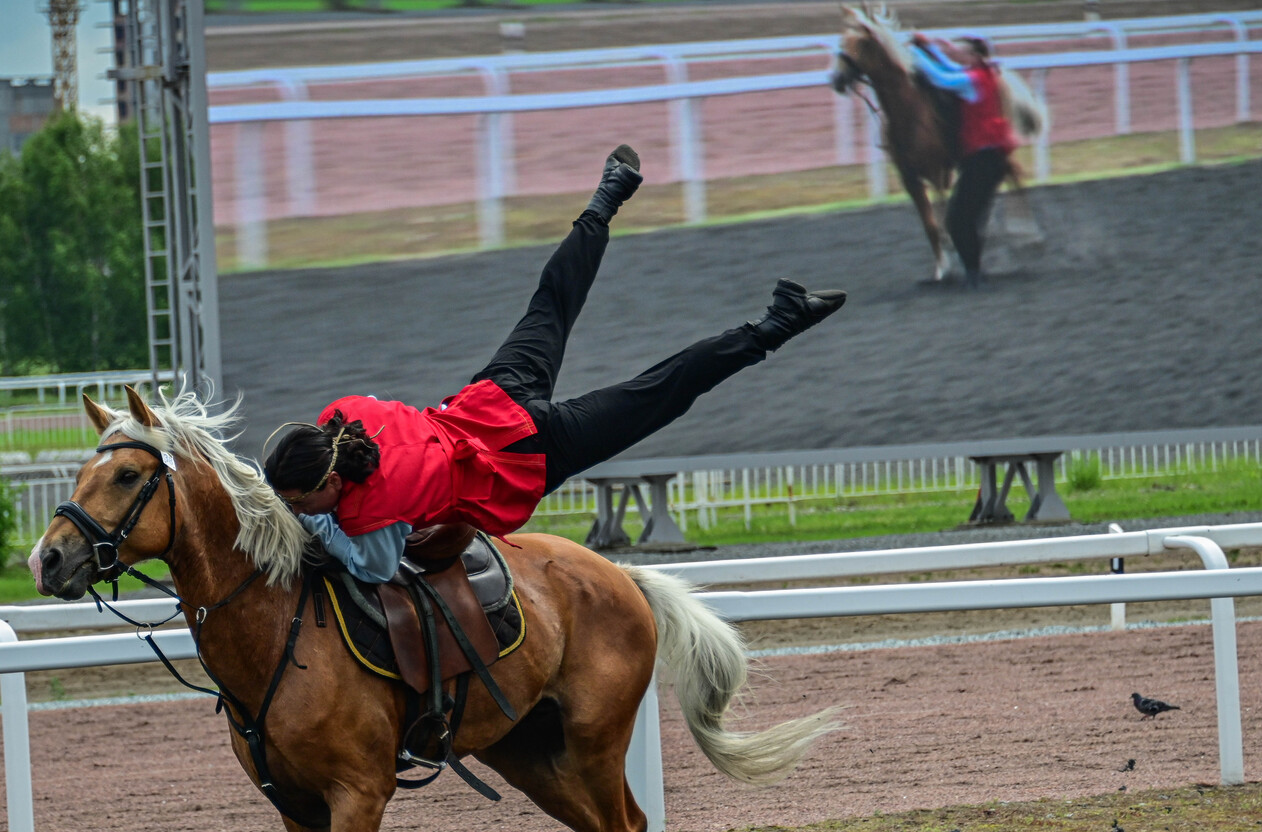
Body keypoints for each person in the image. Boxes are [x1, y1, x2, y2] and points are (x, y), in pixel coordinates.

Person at [263, 145, 847, 583]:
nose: (295, 510)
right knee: (554, 303)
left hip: (532, 452)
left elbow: (373, 568)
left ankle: (778, 324)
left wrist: (316, 523)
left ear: (334, 481)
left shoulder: (373, 510)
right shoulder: (346, 414)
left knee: (659, 392)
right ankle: (607, 197)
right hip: (493, 397)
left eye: (299, 499)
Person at [907, 32, 1017, 287]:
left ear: (976, 56)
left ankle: (974, 275)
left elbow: (941, 78)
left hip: (984, 162)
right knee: (964, 219)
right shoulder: (984, 74)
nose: (958, 54)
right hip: (988, 161)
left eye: (963, 51)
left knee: (958, 221)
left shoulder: (971, 79)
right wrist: (935, 51)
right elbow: (951, 68)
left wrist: (914, 54)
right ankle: (973, 272)